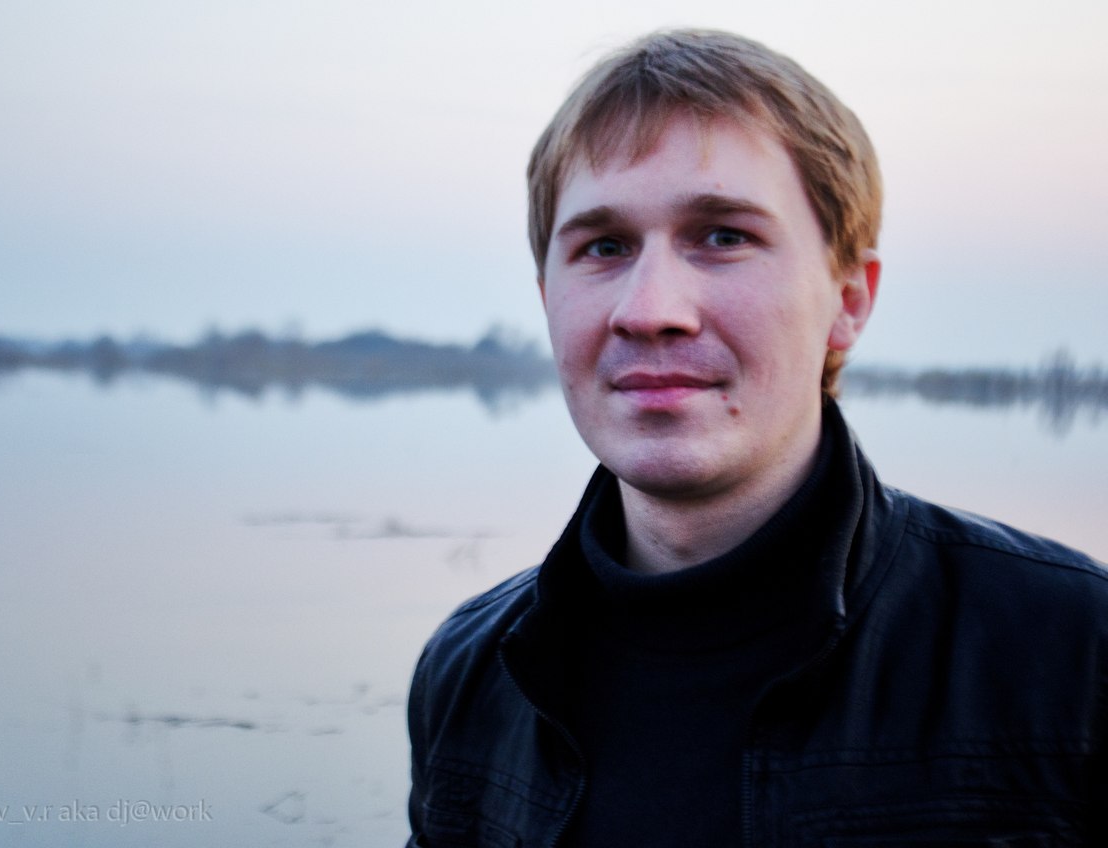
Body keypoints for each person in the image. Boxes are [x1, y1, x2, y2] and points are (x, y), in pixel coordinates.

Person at [405, 28, 1108, 846]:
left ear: (849, 298)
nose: (649, 309)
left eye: (723, 236)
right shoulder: (470, 673)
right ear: (547, 300)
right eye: (604, 247)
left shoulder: (1070, 651)